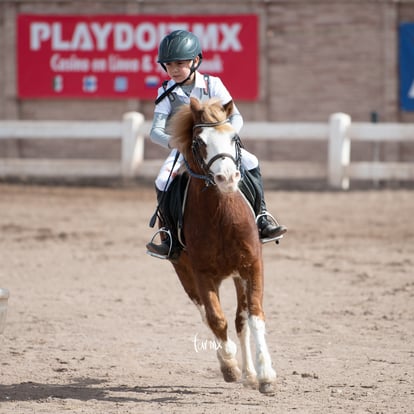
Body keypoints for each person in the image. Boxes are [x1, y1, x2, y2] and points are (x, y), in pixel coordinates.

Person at [146, 30, 287, 258]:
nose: (173, 69)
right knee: (162, 179)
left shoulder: (213, 84)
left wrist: (225, 137)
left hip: (219, 148)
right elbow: (155, 132)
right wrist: (177, 143)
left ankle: (262, 218)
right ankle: (169, 234)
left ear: (196, 61)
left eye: (179, 64)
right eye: (168, 64)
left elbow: (236, 116)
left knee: (251, 161)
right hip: (186, 149)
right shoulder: (166, 93)